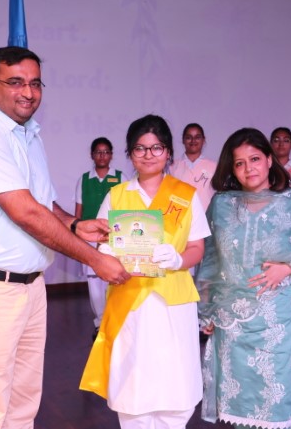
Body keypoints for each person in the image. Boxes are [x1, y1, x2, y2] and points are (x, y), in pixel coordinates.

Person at [0, 46, 129, 428]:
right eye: (15, 82)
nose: (28, 92)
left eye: (35, 83)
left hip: (30, 287)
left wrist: (74, 224)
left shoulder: (29, 135)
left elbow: (42, 203)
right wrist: (95, 259)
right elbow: (25, 212)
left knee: (23, 405)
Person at [80, 114, 210, 429]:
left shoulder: (185, 194)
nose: (148, 155)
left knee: (174, 379)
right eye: (140, 148)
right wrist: (105, 252)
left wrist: (178, 259)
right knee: (133, 382)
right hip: (129, 299)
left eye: (156, 148)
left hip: (173, 302)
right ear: (130, 154)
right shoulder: (117, 195)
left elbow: (197, 247)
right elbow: (102, 241)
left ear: (168, 152)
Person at [197, 128, 291, 429]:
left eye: (255, 159)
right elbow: (210, 261)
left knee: (277, 407)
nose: (249, 168)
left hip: (280, 323)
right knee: (239, 408)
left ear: (270, 160)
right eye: (240, 163)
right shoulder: (222, 205)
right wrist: (207, 310)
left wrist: (289, 267)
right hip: (233, 323)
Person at [74, 137, 128, 340]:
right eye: (98, 152)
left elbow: (127, 207)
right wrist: (77, 238)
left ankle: (116, 321)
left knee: (114, 279)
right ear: (92, 155)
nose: (102, 155)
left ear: (111, 155)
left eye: (106, 152)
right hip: (89, 238)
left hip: (114, 237)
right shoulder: (84, 179)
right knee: (94, 282)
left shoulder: (121, 177)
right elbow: (78, 213)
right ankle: (100, 323)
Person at [170, 122, 217, 210]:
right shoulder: (172, 166)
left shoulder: (214, 167)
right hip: (179, 214)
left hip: (206, 215)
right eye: (188, 137)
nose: (193, 141)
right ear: (183, 140)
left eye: (197, 137)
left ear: (203, 140)